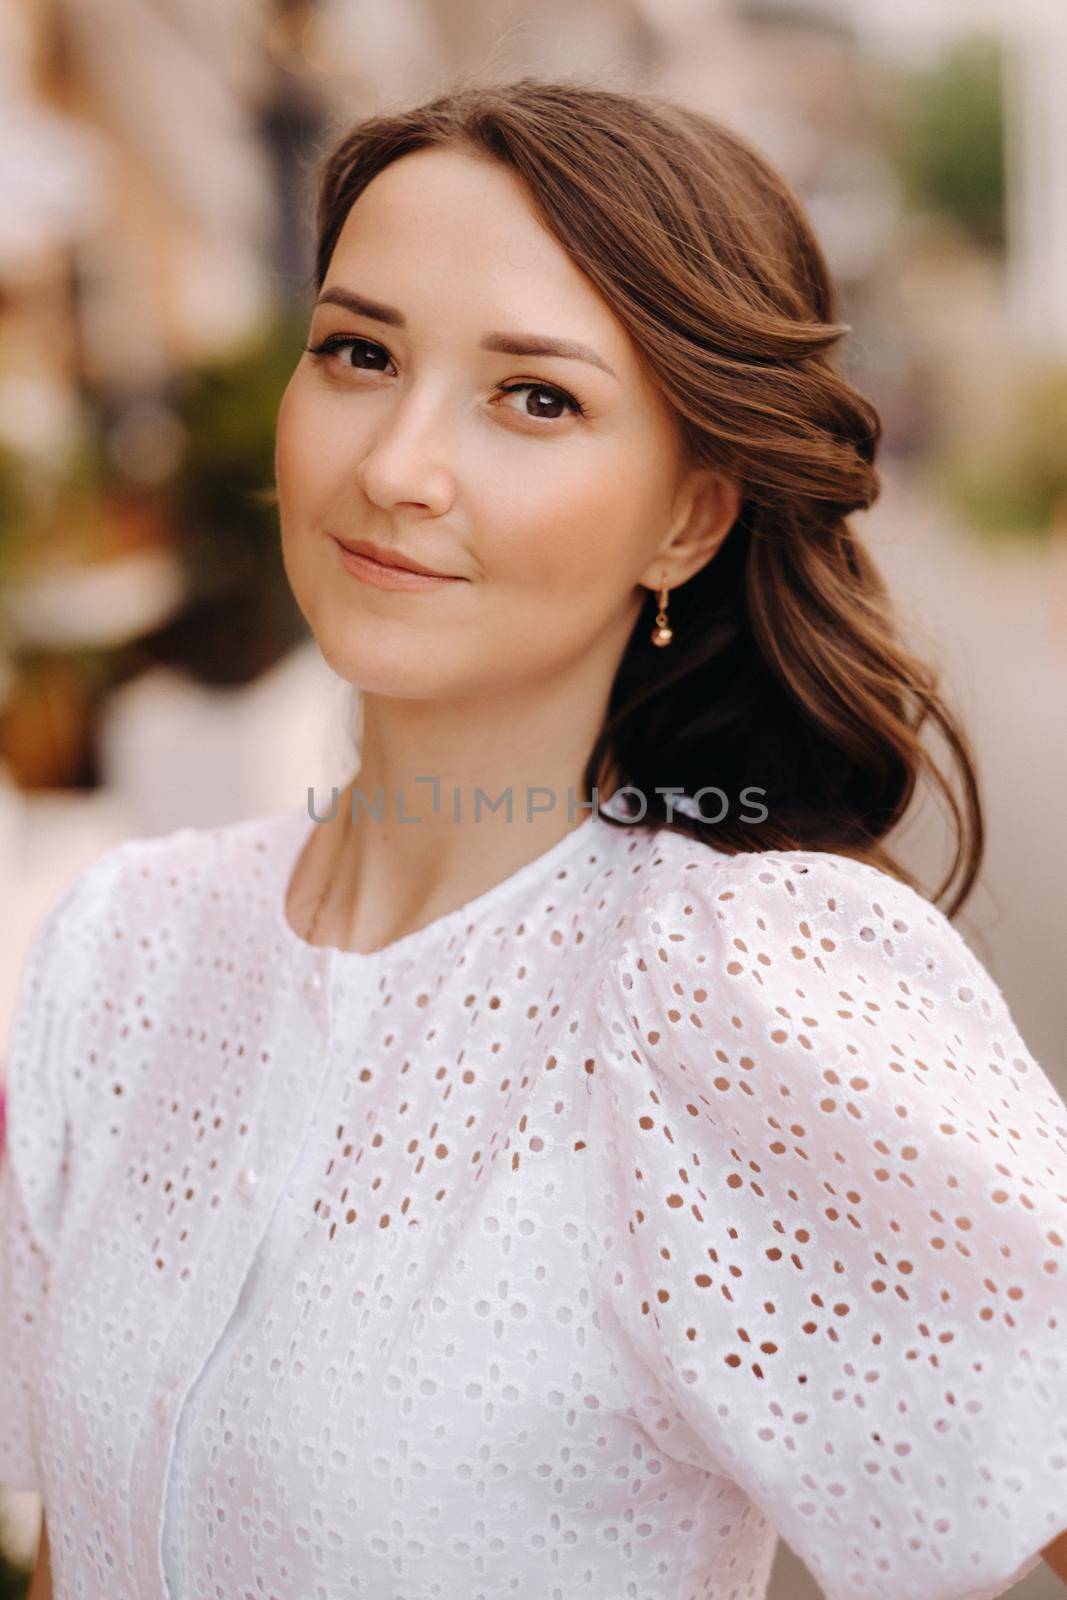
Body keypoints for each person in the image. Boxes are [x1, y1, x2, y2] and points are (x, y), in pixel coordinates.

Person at [2, 76, 1065, 1600]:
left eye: (536, 396)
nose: (397, 466)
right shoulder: (121, 949)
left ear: (689, 520)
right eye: (359, 354)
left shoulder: (736, 991)